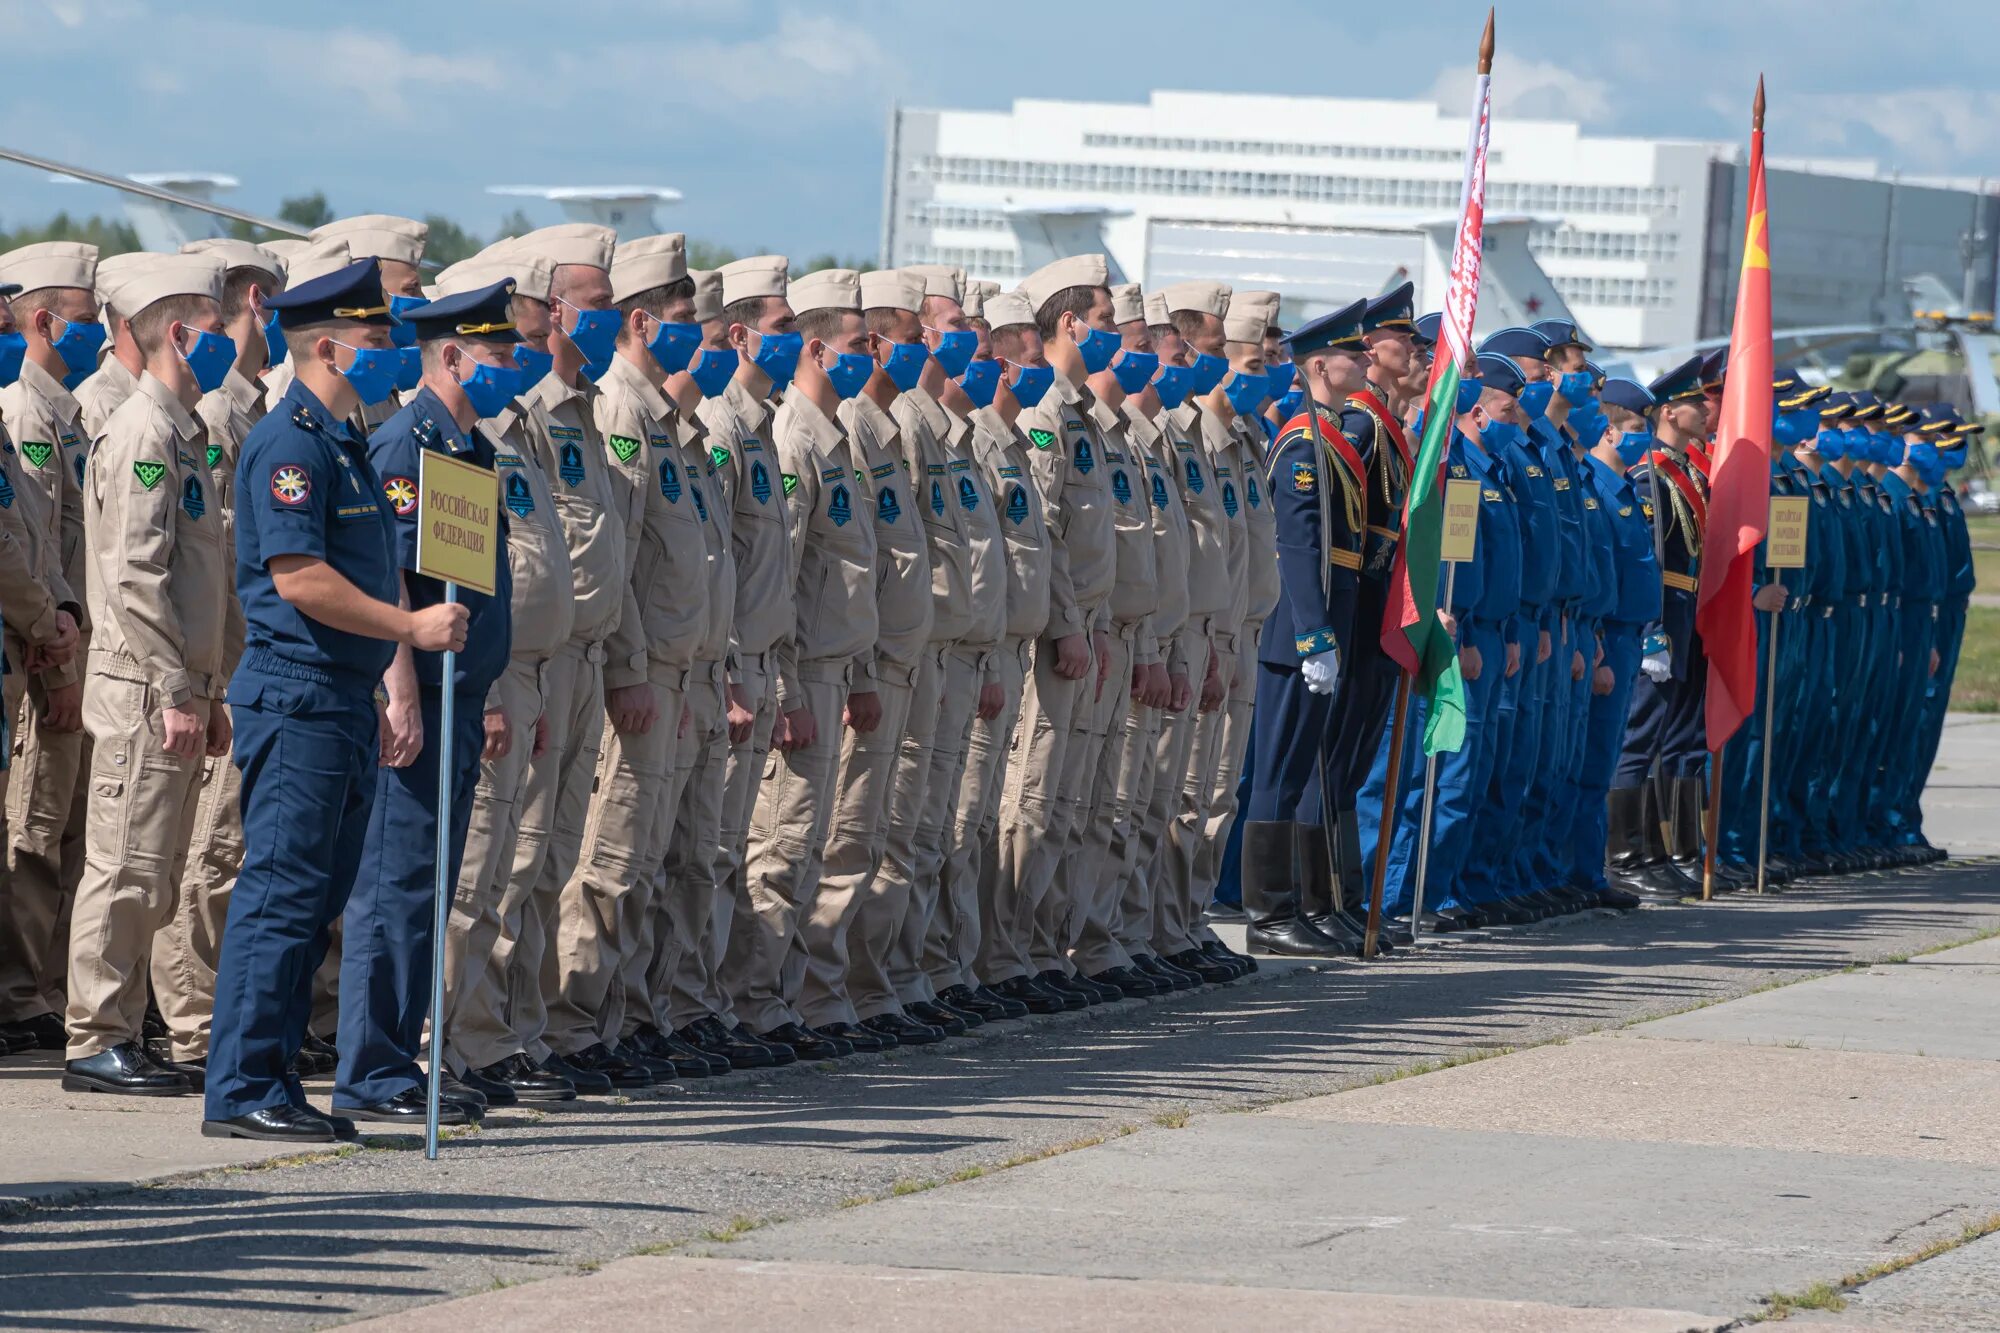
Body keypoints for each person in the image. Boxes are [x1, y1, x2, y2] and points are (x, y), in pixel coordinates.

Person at [203, 257, 468, 1143]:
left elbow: (363, 560)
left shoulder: (345, 442)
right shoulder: (291, 443)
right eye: (376, 340)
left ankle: (273, 1078)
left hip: (343, 697)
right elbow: (302, 578)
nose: (393, 353)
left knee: (315, 899)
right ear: (326, 347)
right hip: (299, 693)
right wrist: (408, 626)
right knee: (282, 893)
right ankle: (242, 1087)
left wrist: (392, 661)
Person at [334, 278, 520, 1125]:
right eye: (497, 357)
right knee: (396, 876)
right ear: (450, 356)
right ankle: (371, 1067)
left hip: (463, 689)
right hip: (421, 692)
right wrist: (399, 687)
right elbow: (390, 579)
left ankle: (403, 1056)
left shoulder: (470, 449)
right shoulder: (409, 446)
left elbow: (473, 587)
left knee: (432, 878)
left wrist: (485, 689)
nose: (511, 371)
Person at [59, 254, 235, 1095]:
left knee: (156, 871)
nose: (227, 339)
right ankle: (95, 1035)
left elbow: (205, 577)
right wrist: (175, 685)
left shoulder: (183, 430)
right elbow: (134, 578)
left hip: (178, 684)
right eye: (211, 323)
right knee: (125, 863)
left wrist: (211, 685)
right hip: (139, 684)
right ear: (178, 332)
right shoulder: (143, 432)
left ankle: (126, 1027)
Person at [544, 232, 711, 1086]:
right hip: (629, 671)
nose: (697, 334)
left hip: (675, 671)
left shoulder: (664, 421)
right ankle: (575, 1021)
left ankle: (623, 1016)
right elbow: (625, 560)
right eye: (684, 319)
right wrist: (636, 667)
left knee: (647, 862)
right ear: (645, 323)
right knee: (605, 862)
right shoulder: (615, 412)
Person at [431, 250, 579, 1103]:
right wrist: (484, 688)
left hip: (533, 672)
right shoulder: (456, 444)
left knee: (508, 875)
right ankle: (432, 1046)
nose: (525, 359)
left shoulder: (518, 431)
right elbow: (453, 588)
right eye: (511, 345)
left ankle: (484, 1039)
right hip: (488, 675)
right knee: (469, 869)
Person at [728, 267, 879, 1048]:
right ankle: (754, 1001)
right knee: (780, 848)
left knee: (813, 848)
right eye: (859, 343)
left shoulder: (834, 436)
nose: (872, 354)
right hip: (797, 672)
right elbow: (777, 574)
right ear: (819, 348)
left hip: (831, 668)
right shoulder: (793, 438)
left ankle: (785, 997)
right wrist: (786, 688)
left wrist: (858, 674)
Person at [151, 238, 288, 1074]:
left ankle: (218, 1021)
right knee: (206, 855)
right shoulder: (207, 419)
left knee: (235, 855)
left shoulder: (251, 413)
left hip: (243, 667)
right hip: (217, 669)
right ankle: (193, 1026)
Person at [796, 268, 936, 1052]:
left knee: (883, 836)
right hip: (837, 666)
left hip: (885, 660)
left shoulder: (874, 431)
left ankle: (860, 986)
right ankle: (809, 993)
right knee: (824, 841)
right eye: (911, 338)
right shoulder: (822, 431)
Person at [988, 255, 1120, 1009]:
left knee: (1068, 805)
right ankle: (1010, 954)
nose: (1112, 338)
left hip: (1087, 630)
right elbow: (1043, 530)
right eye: (1102, 322)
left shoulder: (1077, 413)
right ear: (1069, 323)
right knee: (1031, 803)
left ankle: (1042, 946)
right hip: (1054, 640)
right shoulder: (1044, 414)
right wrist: (1072, 624)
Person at [695, 255, 803, 1070]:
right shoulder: (723, 427)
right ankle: (692, 1005)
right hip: (727, 669)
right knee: (705, 853)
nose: (792, 340)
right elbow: (712, 561)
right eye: (781, 325)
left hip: (764, 665)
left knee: (727, 851)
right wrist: (732, 669)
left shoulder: (761, 428)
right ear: (740, 334)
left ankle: (711, 1003)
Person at [1240, 298, 1370, 955]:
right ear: (1319, 365)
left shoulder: (1329, 435)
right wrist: (1315, 634)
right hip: (1299, 632)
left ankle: (1299, 906)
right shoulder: (1300, 440)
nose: (1366, 360)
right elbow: (1296, 546)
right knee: (1280, 770)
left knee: (1301, 772)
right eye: (1354, 353)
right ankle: (1269, 916)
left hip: (1324, 624)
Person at [0, 242, 101, 1049]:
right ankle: (23, 990)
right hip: (37, 649)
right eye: (86, 320)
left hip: (56, 635)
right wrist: (56, 639)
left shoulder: (58, 416)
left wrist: (62, 618)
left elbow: (60, 541)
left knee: (65, 827)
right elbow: (17, 547)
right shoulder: (25, 415)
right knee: (35, 827)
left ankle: (44, 985)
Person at [1606, 354, 1707, 901]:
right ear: (1671, 411)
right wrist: (1654, 629)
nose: (1705, 410)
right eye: (1695, 402)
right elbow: (1649, 559)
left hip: (1680, 612)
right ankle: (1626, 855)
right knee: (1639, 735)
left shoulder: (1681, 473)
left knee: (1665, 732)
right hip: (1661, 615)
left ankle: (1655, 848)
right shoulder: (1651, 477)